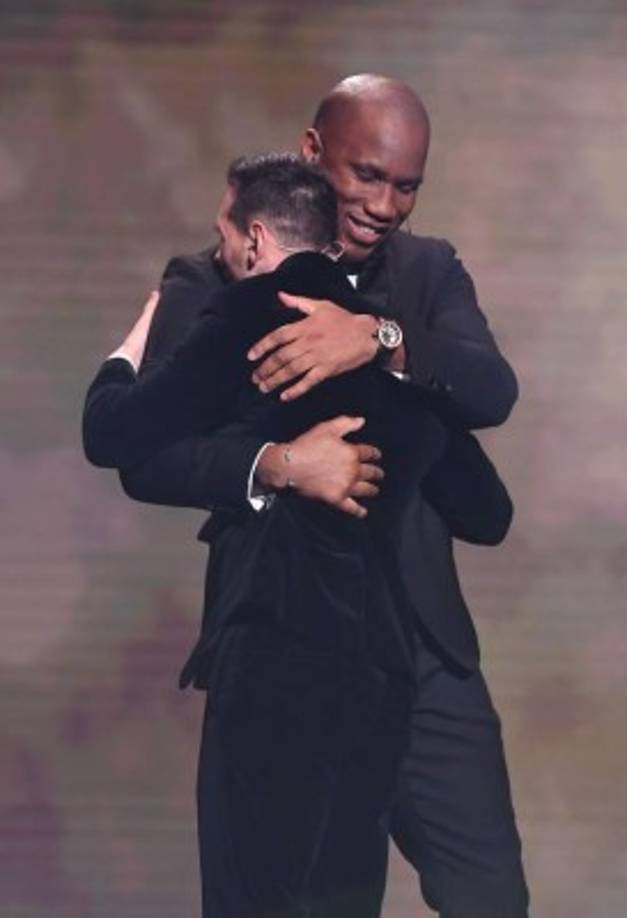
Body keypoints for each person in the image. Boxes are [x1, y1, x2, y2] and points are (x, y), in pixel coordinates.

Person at [105, 75, 528, 916]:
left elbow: (490, 389)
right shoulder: (220, 275)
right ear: (311, 153)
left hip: (423, 648)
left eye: (405, 186)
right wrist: (278, 465)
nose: (384, 204)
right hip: (283, 646)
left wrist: (376, 339)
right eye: (366, 176)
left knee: (490, 897)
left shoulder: (426, 273)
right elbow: (142, 459)